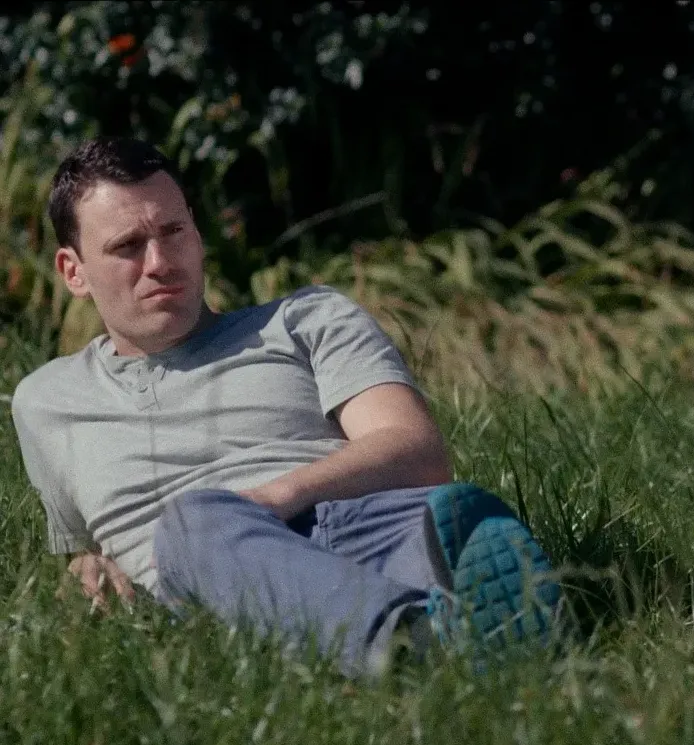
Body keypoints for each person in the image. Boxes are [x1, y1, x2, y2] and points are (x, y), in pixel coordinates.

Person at [10, 136, 563, 678]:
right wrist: (87, 568)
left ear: (197, 236)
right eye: (127, 246)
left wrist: (275, 498)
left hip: (347, 523)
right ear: (73, 271)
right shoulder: (46, 402)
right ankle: (414, 641)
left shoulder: (305, 320)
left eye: (173, 232)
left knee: (437, 514)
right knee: (194, 521)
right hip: (203, 576)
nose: (160, 262)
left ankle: (455, 596)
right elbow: (84, 553)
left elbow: (416, 451)